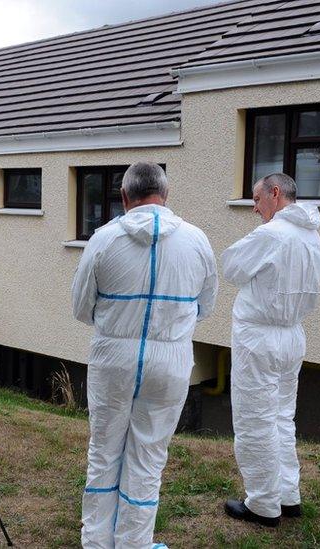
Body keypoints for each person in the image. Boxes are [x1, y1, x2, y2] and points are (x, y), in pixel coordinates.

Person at [72, 161, 218, 548]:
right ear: (166, 195)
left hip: (112, 358)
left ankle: (96, 543)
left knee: (104, 453)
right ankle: (134, 544)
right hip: (170, 359)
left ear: (124, 196)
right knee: (148, 457)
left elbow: (81, 307)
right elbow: (206, 305)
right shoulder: (197, 240)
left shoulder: (103, 239)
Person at [221, 173, 320, 527]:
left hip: (260, 339)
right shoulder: (312, 237)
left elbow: (232, 267)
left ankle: (263, 505)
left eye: (256, 199)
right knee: (282, 417)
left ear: (275, 193)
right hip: (292, 336)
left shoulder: (271, 234)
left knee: (256, 420)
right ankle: (287, 495)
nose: (254, 208)